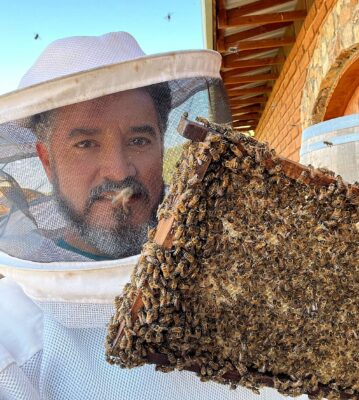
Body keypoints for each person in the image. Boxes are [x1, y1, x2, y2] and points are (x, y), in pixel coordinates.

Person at [0, 32, 287, 399]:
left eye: (139, 140)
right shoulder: (12, 337)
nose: (119, 172)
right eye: (85, 144)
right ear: (46, 160)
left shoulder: (241, 278)